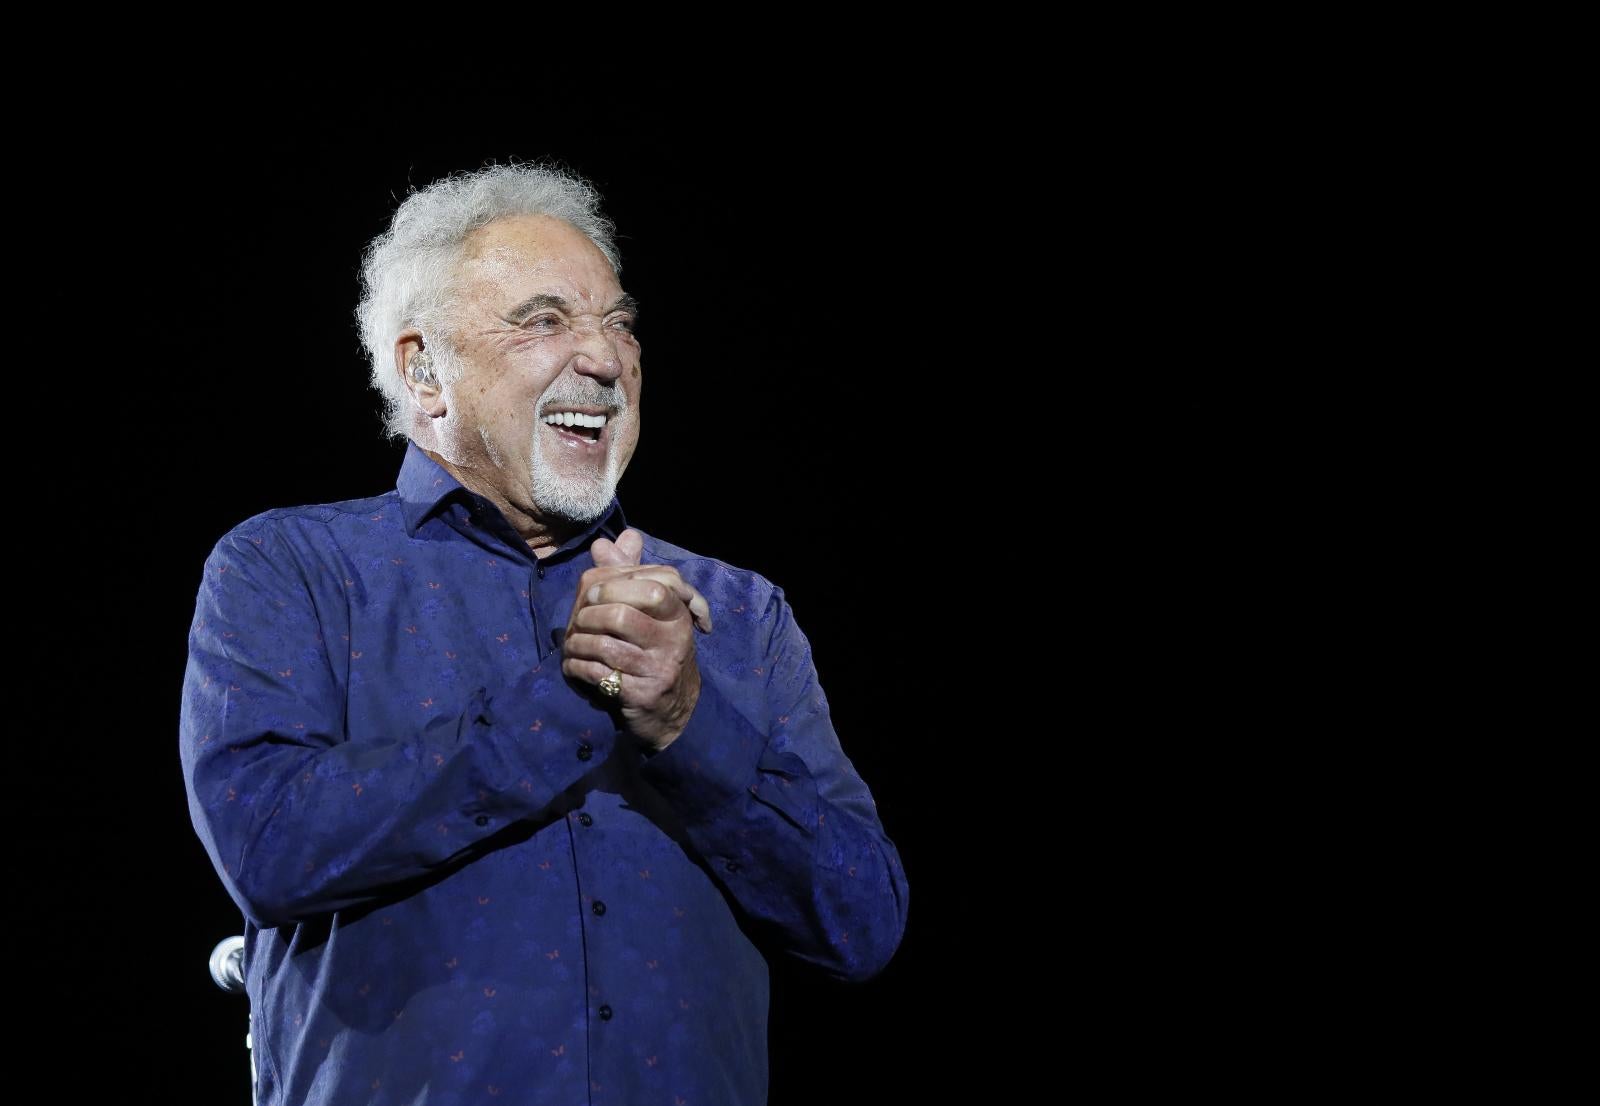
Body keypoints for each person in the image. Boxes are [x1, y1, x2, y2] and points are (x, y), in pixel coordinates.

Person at [178, 163, 909, 1106]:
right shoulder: (292, 568)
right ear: (423, 371)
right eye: (543, 320)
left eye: (619, 323)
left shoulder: (739, 611)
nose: (605, 359)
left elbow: (862, 923)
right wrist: (567, 699)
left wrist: (688, 723)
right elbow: (271, 847)